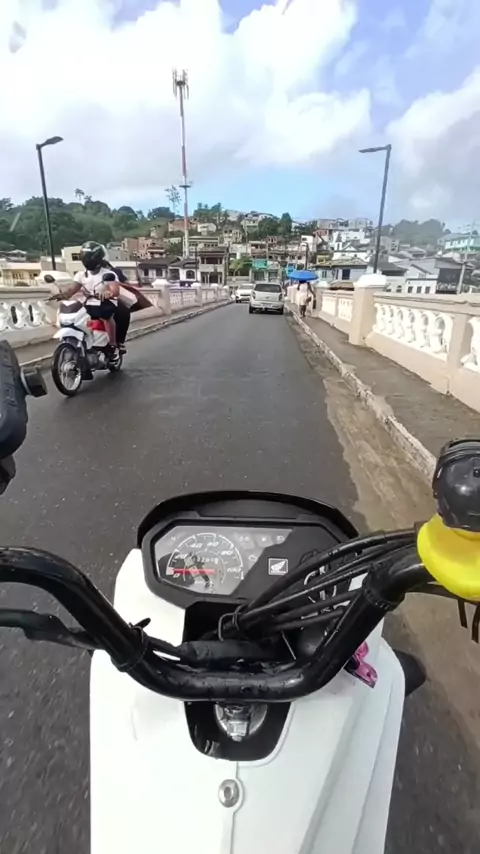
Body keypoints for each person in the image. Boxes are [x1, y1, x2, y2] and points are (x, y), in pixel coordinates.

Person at [68, 242, 131, 353]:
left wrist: (109, 293)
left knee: (121, 313)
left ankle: (115, 343)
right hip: (90, 301)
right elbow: (72, 289)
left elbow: (119, 288)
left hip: (109, 300)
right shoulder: (82, 275)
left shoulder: (113, 272)